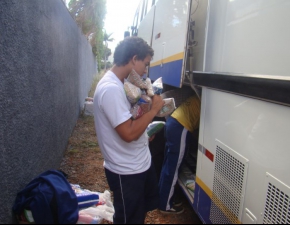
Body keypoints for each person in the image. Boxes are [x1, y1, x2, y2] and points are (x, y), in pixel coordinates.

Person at [93, 36, 164, 224]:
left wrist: (144, 130)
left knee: (138, 214)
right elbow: (129, 133)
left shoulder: (123, 83)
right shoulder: (111, 89)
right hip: (126, 171)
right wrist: (155, 110)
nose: (145, 70)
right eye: (145, 64)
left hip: (139, 163)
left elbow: (130, 123)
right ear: (134, 59)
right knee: (128, 219)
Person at [158, 95, 201, 214]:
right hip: (180, 126)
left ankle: (162, 198)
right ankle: (165, 205)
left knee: (168, 164)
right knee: (173, 167)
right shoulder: (205, 101)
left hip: (173, 122)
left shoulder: (198, 97)